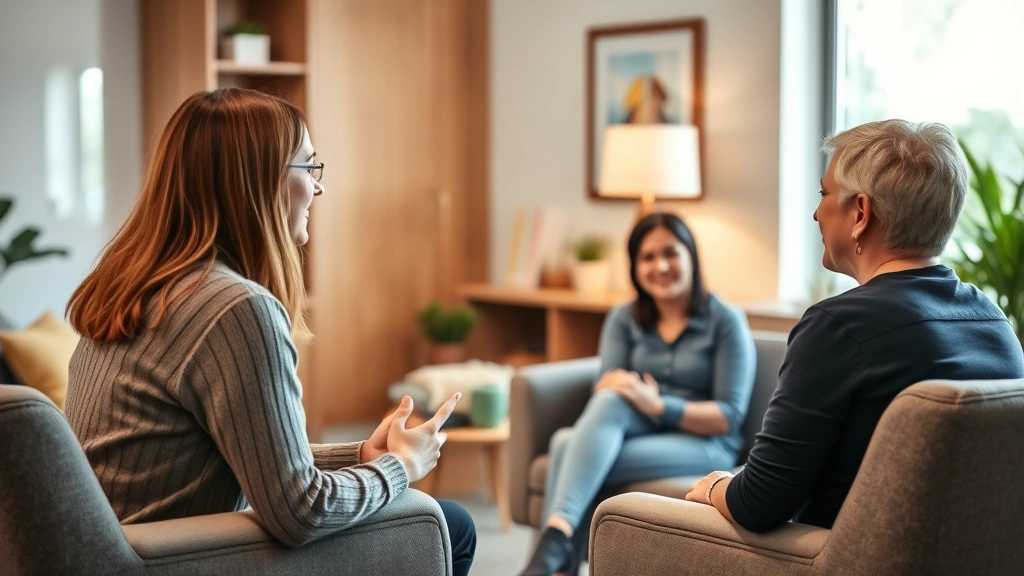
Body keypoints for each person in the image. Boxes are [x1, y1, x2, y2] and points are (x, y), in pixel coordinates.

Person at [64, 88, 476, 575]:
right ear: (257, 182)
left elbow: (251, 453)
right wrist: (400, 467)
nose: (318, 188)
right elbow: (300, 511)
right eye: (309, 167)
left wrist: (361, 455)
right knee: (450, 525)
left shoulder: (131, 288)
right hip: (170, 561)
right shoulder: (233, 309)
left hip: (113, 554)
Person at [685, 119, 1024, 532]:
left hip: (830, 557)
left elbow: (758, 503)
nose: (816, 213)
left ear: (861, 212)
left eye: (824, 194)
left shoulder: (838, 326)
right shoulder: (994, 321)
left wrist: (715, 486)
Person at [520, 213, 756, 576]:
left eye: (670, 253)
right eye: (647, 257)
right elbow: (608, 387)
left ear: (691, 256)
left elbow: (729, 416)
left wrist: (658, 405)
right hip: (640, 432)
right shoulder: (623, 317)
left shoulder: (726, 320)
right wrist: (634, 397)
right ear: (634, 267)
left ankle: (553, 555)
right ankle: (557, 543)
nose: (660, 266)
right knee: (605, 404)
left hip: (707, 442)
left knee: (567, 445)